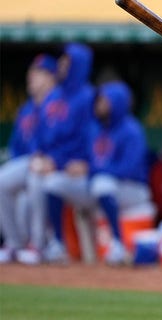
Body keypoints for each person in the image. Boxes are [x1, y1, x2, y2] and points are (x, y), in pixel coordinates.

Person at [45, 81, 152, 264]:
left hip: (132, 189)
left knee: (101, 184)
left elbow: (129, 169)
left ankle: (118, 245)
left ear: (117, 103)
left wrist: (91, 169)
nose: (99, 105)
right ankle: (58, 245)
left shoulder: (132, 130)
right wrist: (68, 165)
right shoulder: (94, 128)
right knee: (53, 183)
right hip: (97, 186)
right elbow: (84, 158)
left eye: (104, 101)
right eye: (99, 101)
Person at [25, 43, 95, 263]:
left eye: (67, 63)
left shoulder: (88, 97)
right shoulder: (54, 96)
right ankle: (19, 245)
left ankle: (50, 244)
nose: (62, 67)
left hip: (77, 170)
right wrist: (39, 154)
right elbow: (40, 131)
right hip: (47, 161)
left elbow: (87, 140)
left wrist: (59, 162)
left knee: (46, 183)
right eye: (62, 62)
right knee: (11, 186)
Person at [0, 54, 61, 264]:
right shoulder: (26, 109)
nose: (31, 77)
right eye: (31, 72)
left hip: (52, 165)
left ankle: (38, 246)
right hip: (27, 164)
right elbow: (16, 147)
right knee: (2, 181)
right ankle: (14, 243)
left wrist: (51, 160)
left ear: (51, 77)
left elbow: (65, 140)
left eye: (38, 73)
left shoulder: (59, 104)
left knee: (35, 180)